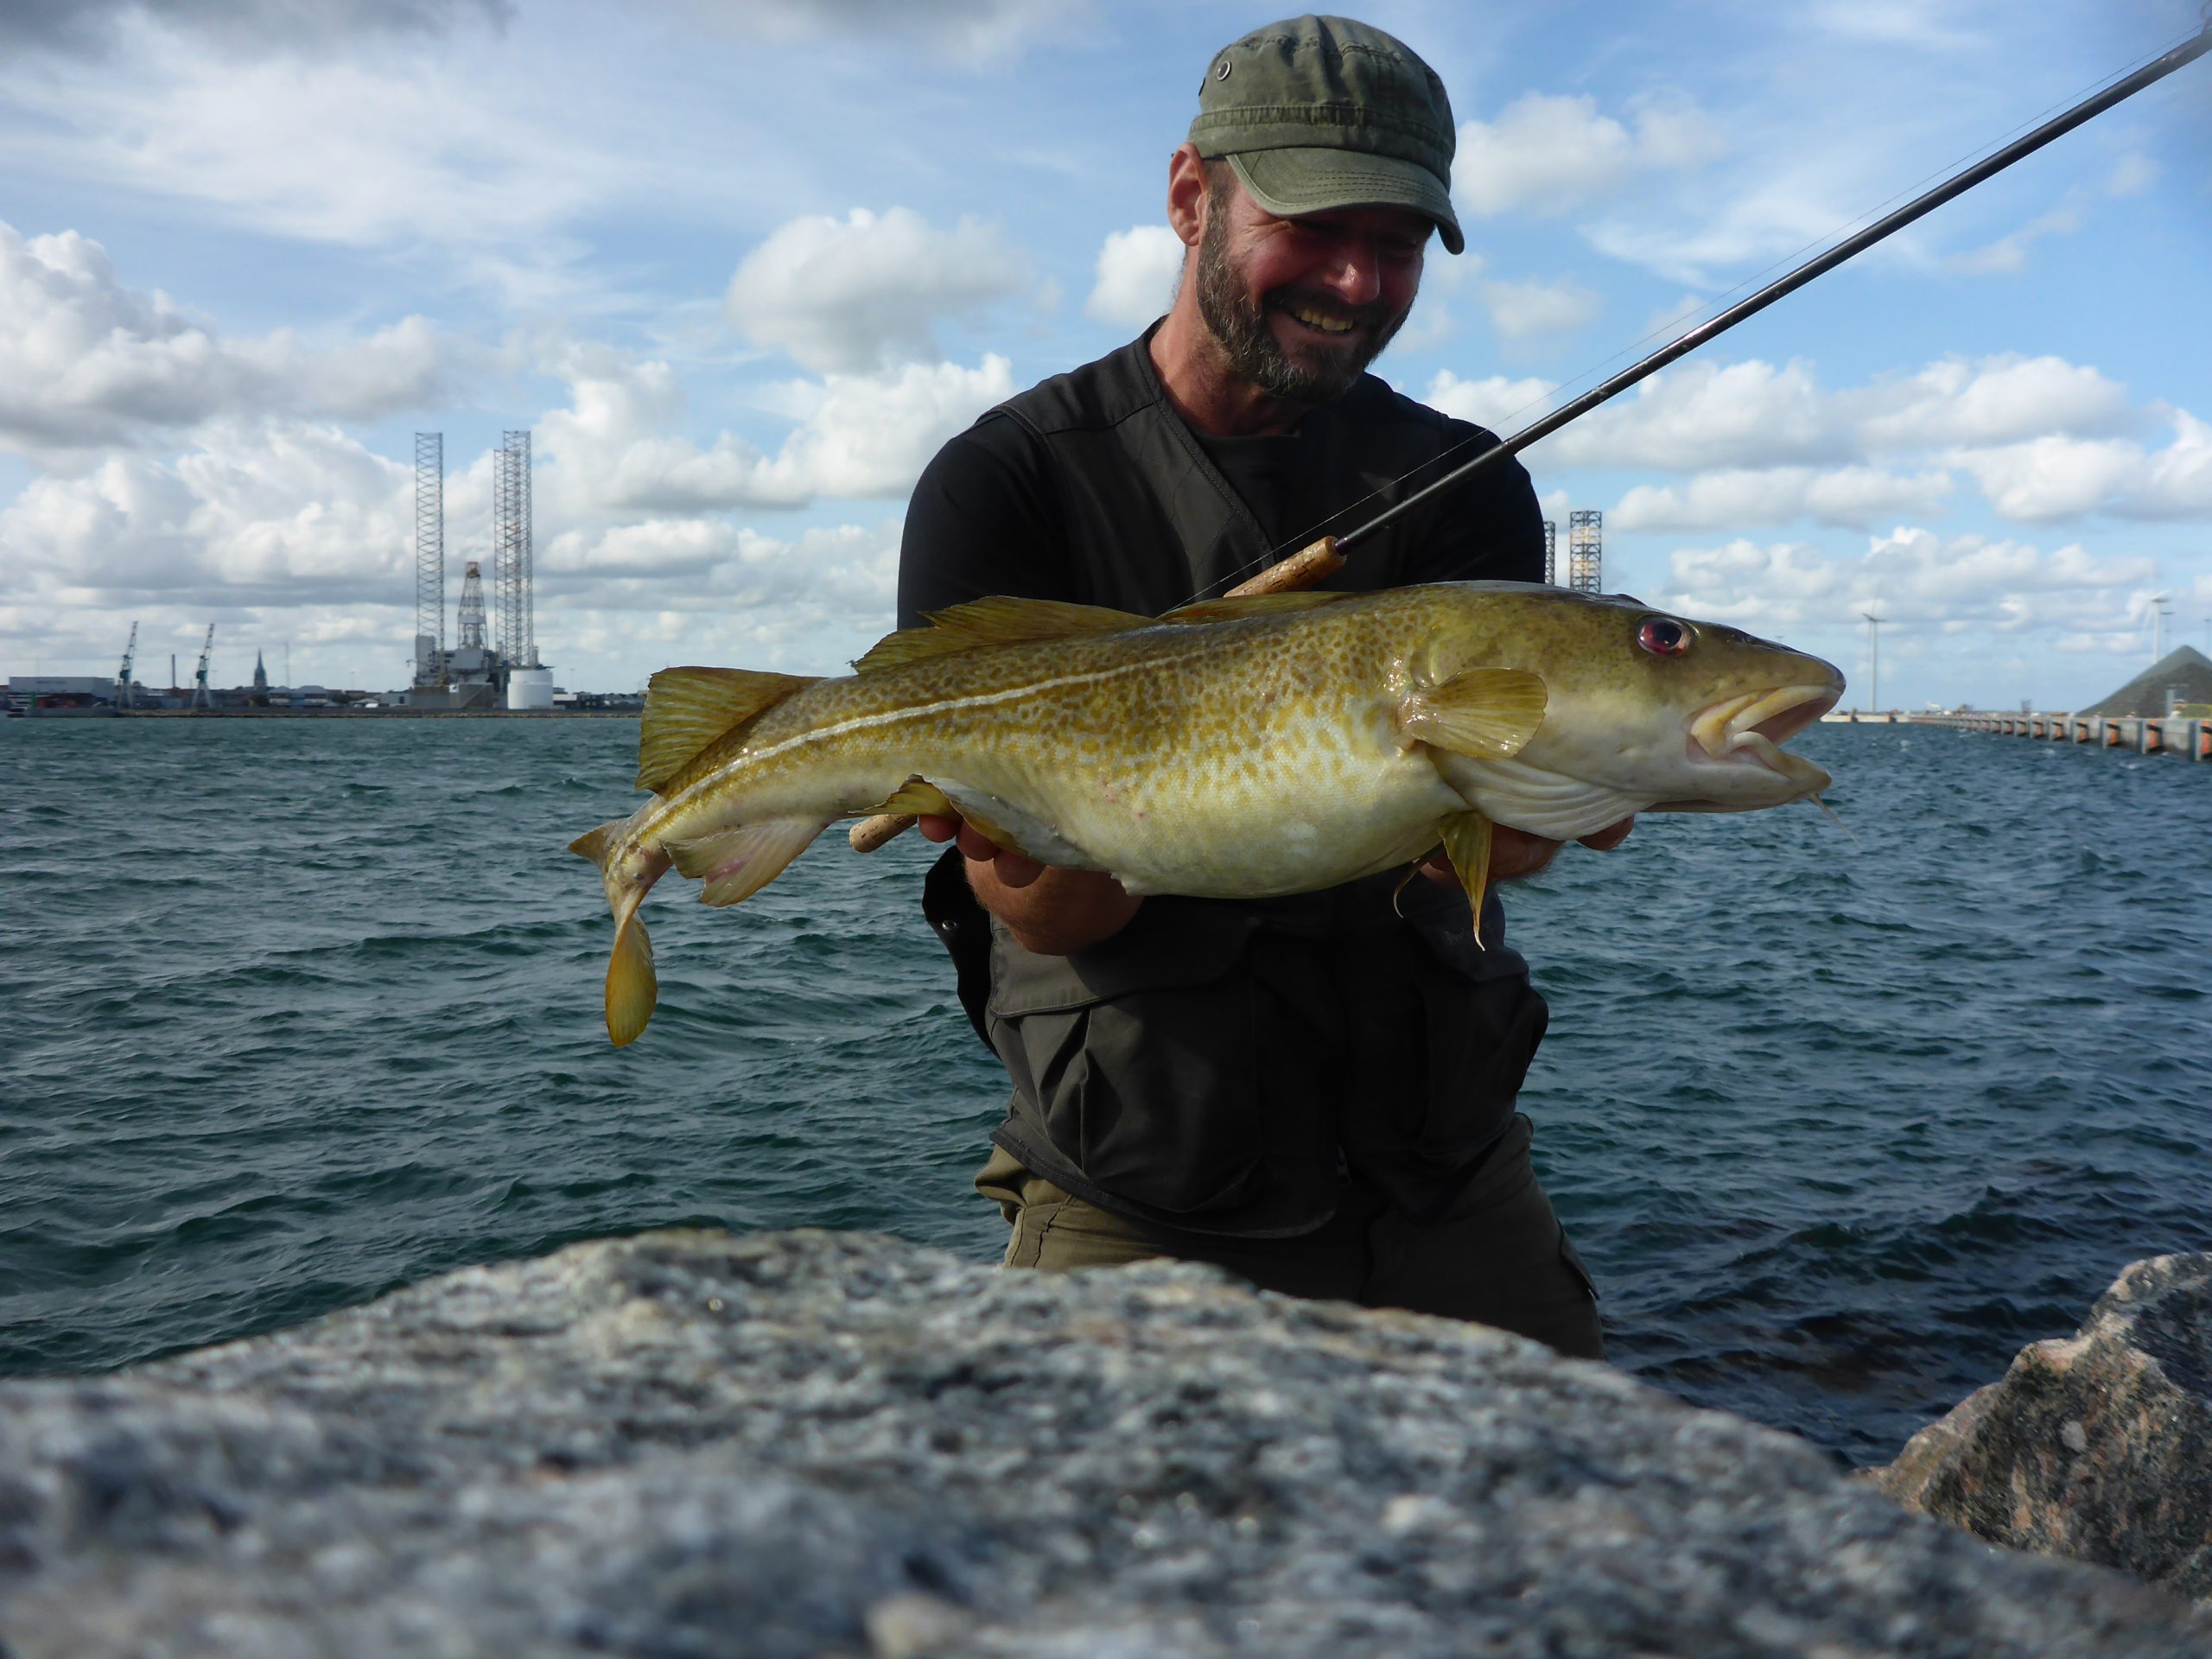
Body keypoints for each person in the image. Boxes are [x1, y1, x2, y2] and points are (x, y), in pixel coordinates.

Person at [896, 14, 1626, 1358]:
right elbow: (1041, 918)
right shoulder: (1009, 482)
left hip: (1445, 1185)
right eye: (1314, 225)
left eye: (1398, 243)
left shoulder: (1467, 489)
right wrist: (1043, 842)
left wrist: (1537, 817)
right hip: (1140, 1194)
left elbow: (1467, 848)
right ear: (1190, 198)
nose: (1356, 279)